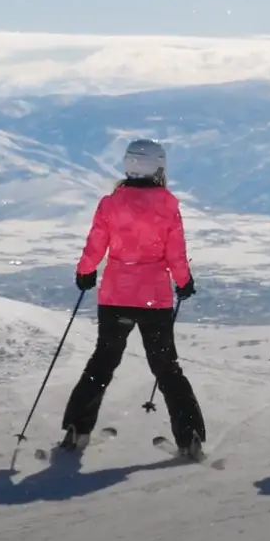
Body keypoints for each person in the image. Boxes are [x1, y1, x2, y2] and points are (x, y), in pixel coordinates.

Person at [62, 139, 203, 458]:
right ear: (159, 167)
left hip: (115, 295)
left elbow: (96, 243)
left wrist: (85, 271)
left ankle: (77, 430)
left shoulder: (110, 203)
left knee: (102, 362)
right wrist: (184, 282)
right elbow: (176, 253)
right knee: (167, 368)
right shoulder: (168, 205)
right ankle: (189, 436)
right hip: (154, 298)